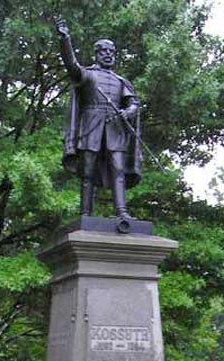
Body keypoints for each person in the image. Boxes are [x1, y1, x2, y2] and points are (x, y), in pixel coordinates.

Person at [55, 18, 142, 218]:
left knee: (118, 170)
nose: (108, 55)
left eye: (112, 52)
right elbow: (71, 64)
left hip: (115, 129)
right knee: (87, 171)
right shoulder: (88, 75)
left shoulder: (121, 81)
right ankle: (85, 213)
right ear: (97, 53)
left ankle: (121, 211)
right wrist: (65, 39)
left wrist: (128, 112)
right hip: (91, 126)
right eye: (104, 51)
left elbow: (133, 104)